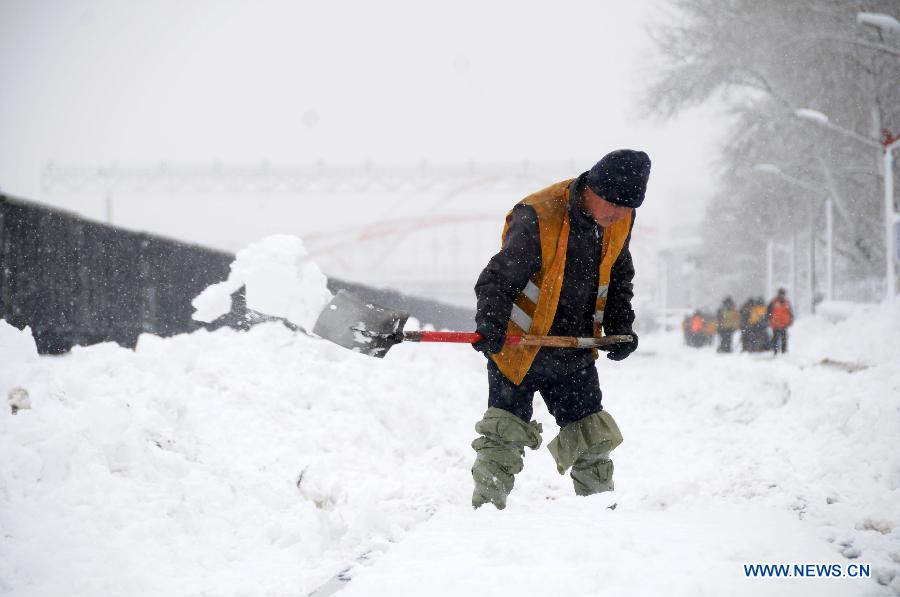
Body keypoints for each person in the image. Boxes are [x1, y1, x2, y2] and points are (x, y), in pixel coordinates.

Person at [469, 149, 650, 509]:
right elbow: (498, 278)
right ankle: (485, 513)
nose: (617, 215)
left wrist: (619, 325)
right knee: (502, 437)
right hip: (518, 350)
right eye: (612, 204)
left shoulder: (618, 223)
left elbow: (618, 276)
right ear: (592, 188)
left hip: (573, 351)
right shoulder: (538, 215)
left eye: (627, 209)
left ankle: (600, 515)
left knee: (592, 438)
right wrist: (489, 323)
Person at [768, 288, 794, 354]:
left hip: (784, 324)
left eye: (783, 294)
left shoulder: (787, 302)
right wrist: (769, 319)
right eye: (781, 293)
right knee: (775, 339)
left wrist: (791, 320)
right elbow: (768, 312)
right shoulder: (774, 302)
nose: (782, 295)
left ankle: (784, 352)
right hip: (775, 324)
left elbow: (790, 312)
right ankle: (775, 352)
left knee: (784, 339)